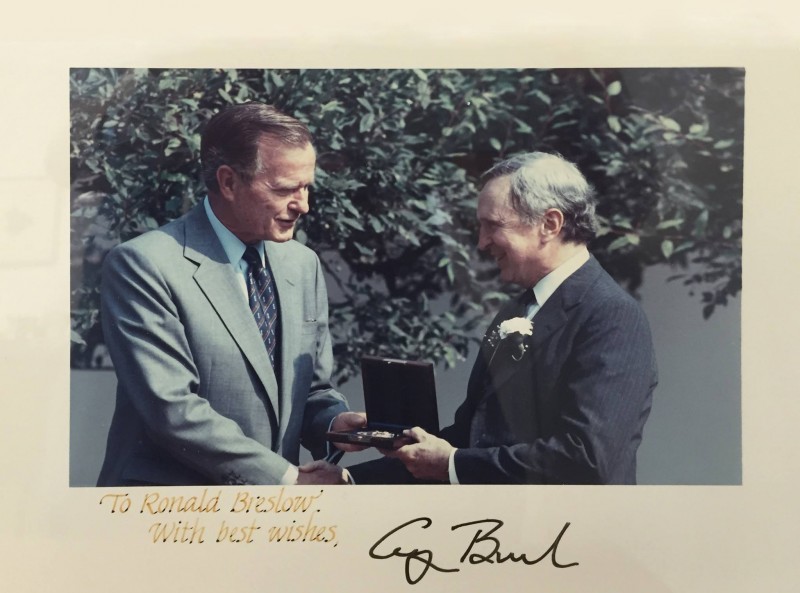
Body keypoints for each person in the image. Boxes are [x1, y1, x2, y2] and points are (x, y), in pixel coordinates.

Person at [97, 102, 365, 487]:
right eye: (285, 188)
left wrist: (336, 424)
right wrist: (288, 480)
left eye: (306, 187)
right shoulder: (144, 263)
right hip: (168, 518)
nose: (303, 205)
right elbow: (172, 410)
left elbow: (309, 391)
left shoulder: (302, 264)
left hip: (270, 521)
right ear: (228, 182)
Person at [350, 151, 657, 485]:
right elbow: (471, 438)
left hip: (570, 533)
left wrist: (452, 464)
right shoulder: (513, 313)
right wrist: (346, 480)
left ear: (549, 224)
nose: (482, 243)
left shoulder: (611, 315)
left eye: (493, 226)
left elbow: (586, 457)